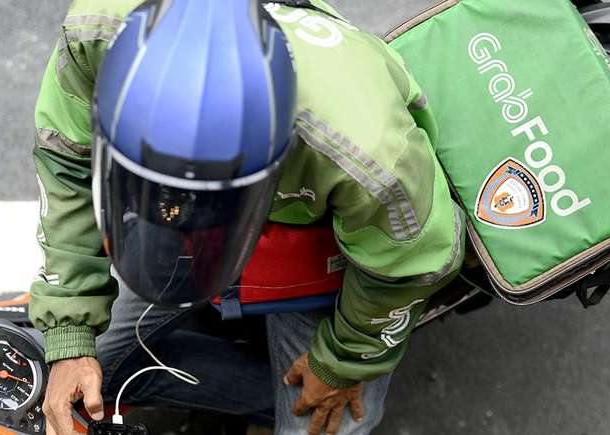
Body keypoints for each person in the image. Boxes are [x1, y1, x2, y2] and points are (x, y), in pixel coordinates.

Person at [29, 0, 465, 434]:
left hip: (319, 229)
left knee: (325, 424)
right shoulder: (95, 35)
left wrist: (341, 362)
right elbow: (66, 162)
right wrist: (71, 332)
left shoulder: (365, 156)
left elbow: (414, 263)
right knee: (67, 375)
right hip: (182, 200)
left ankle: (293, 393)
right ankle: (267, 393)